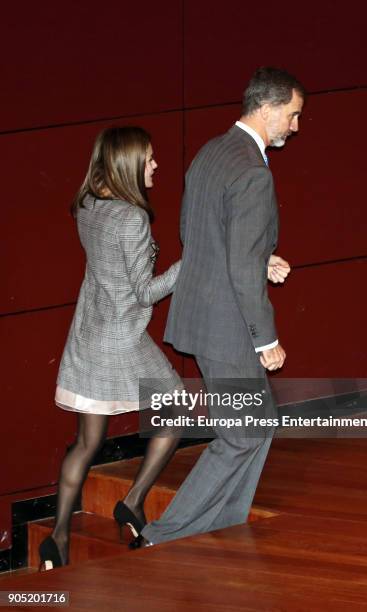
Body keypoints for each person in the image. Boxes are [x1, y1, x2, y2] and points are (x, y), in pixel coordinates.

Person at [134, 67, 305, 547]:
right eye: (293, 116)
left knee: (258, 426)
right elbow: (228, 254)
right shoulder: (252, 171)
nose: (295, 126)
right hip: (228, 325)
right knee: (242, 436)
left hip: (203, 312)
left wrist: (258, 258)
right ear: (268, 108)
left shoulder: (212, 151)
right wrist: (266, 339)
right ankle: (158, 536)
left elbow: (200, 235)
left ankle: (223, 522)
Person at [39, 126, 182, 570]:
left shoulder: (88, 205)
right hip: (121, 337)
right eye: (150, 158)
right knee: (175, 414)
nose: (156, 165)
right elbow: (144, 293)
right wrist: (186, 264)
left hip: (87, 333)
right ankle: (133, 502)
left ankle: (57, 539)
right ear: (128, 164)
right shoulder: (131, 218)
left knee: (87, 442)